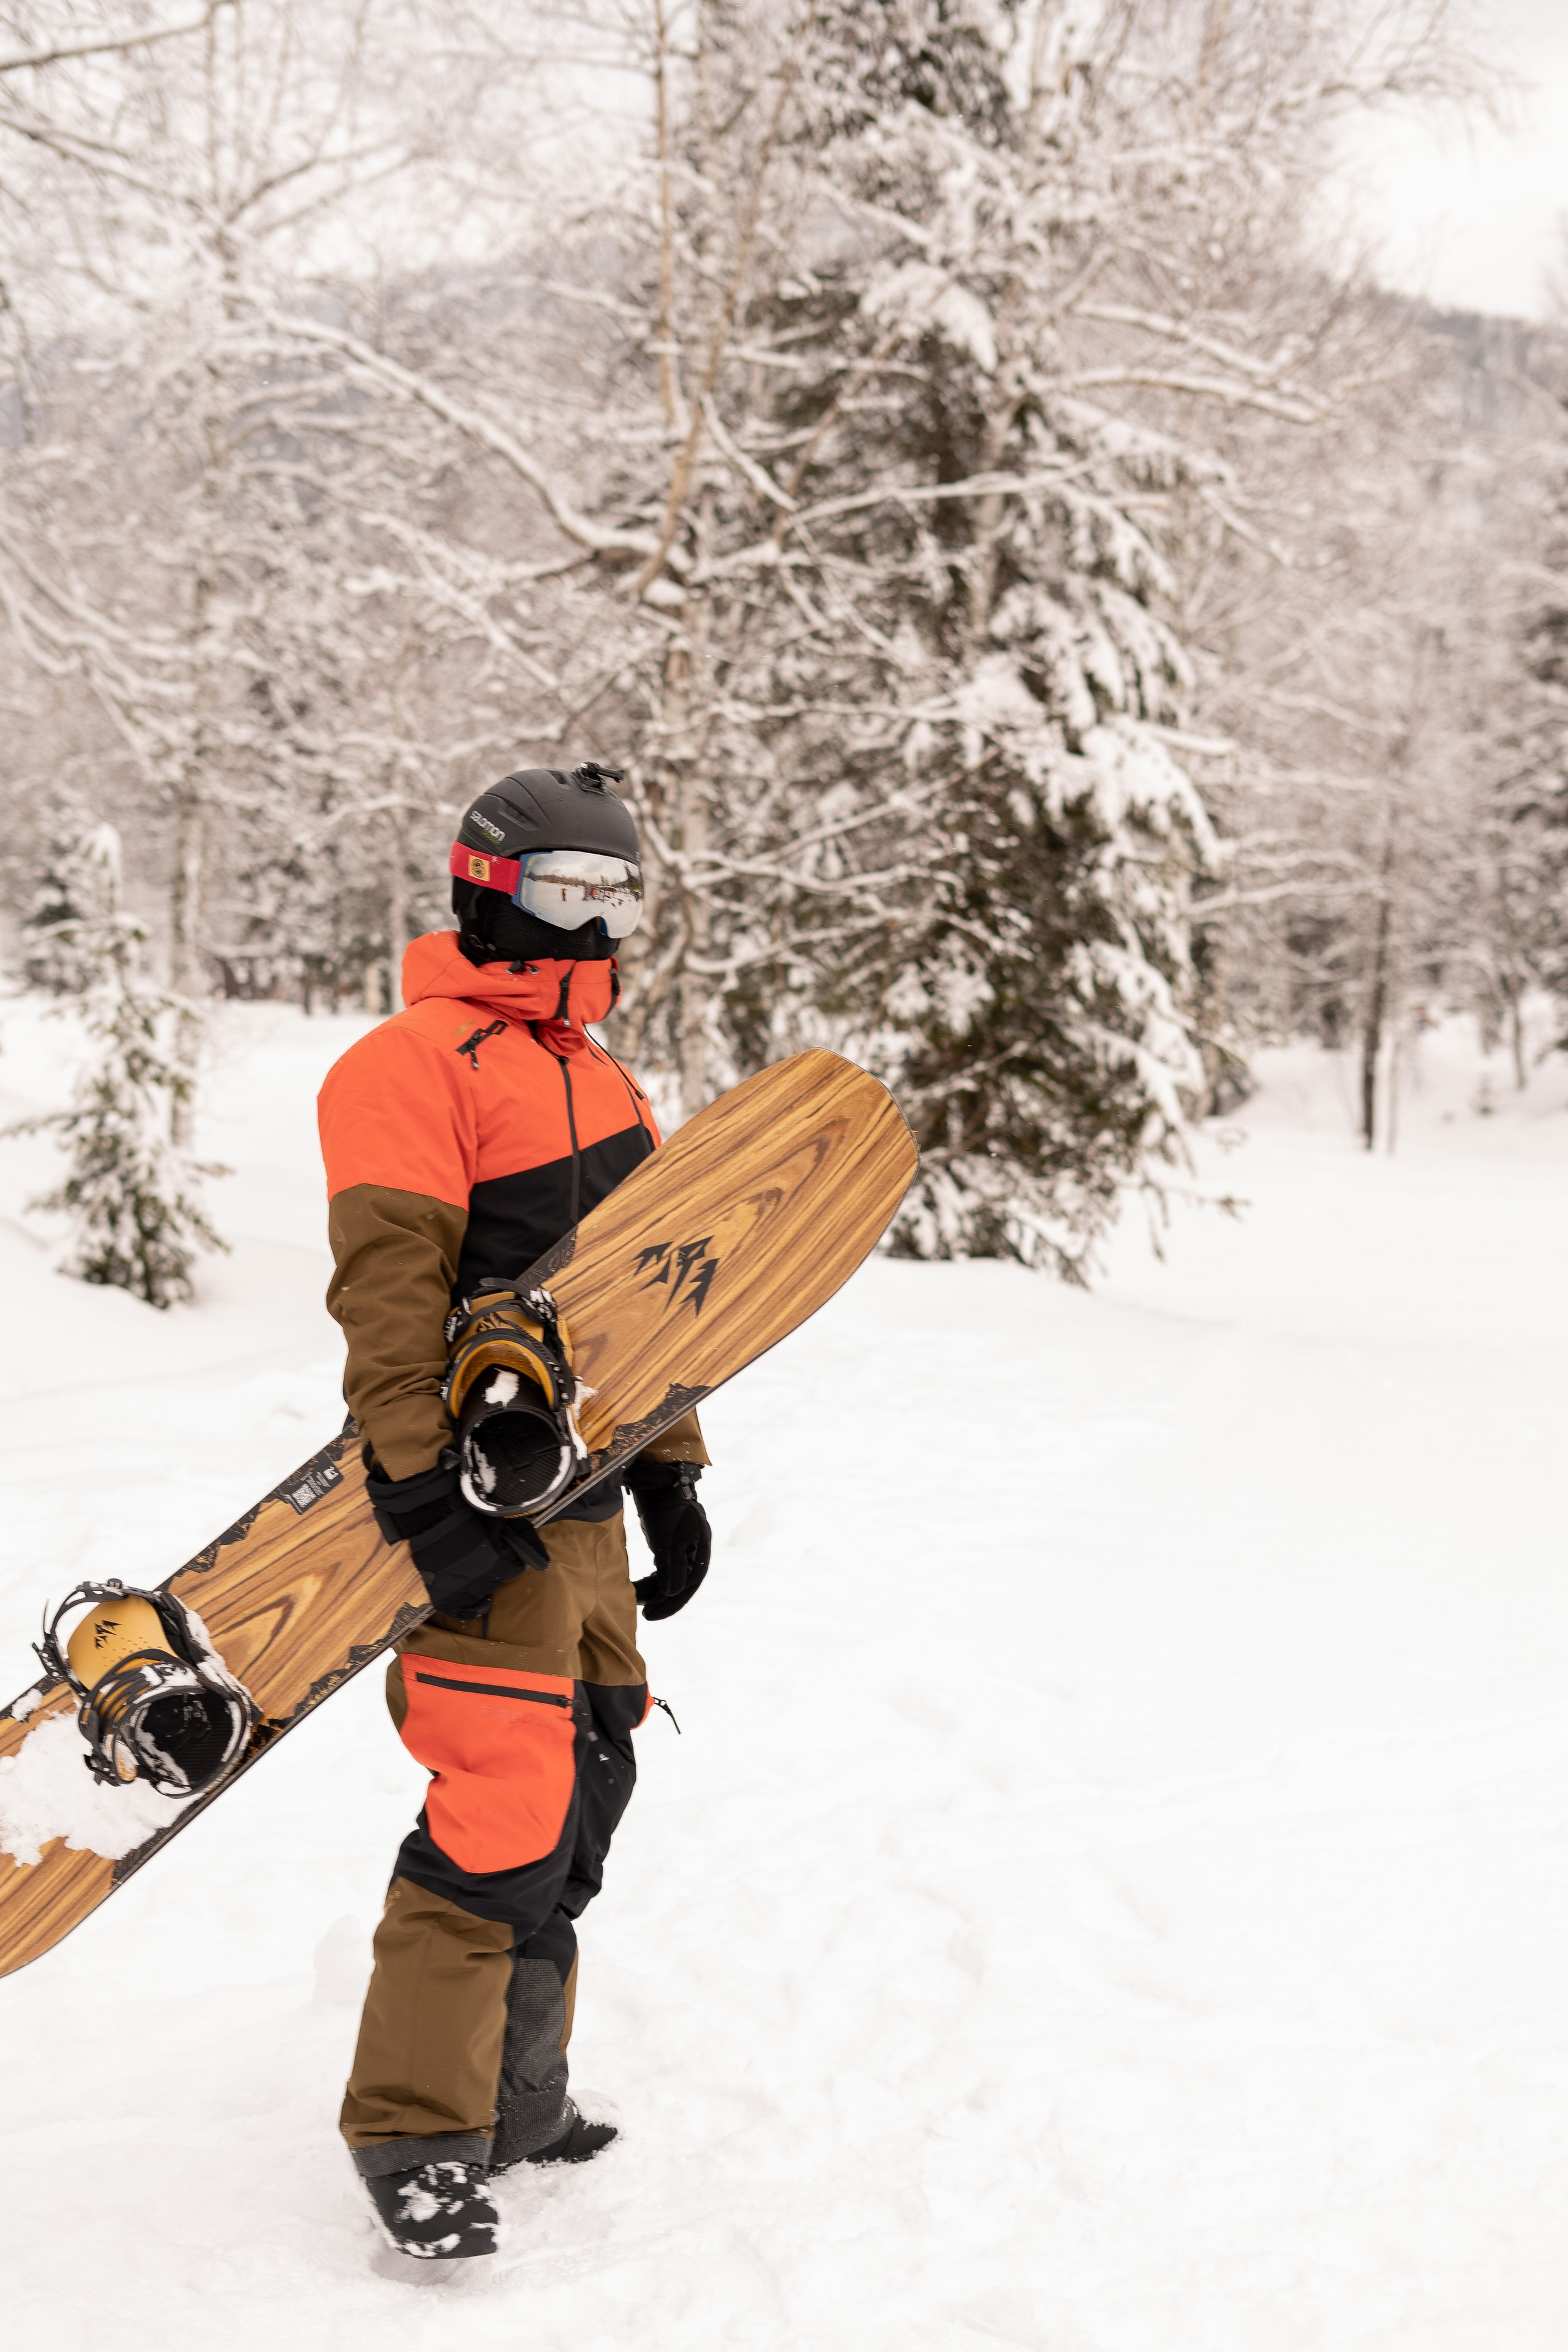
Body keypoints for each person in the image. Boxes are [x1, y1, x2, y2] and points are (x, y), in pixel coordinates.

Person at [316, 764, 712, 2264]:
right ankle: (413, 2133)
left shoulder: (609, 1082)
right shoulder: (409, 1067)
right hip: (479, 1501)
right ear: (489, 888)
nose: (597, 923)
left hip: (595, 1513)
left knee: (587, 1785)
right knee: (495, 1812)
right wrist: (418, 1489)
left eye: (617, 893)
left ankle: (518, 2101)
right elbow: (390, 1296)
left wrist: (675, 1468)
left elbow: (663, 1305)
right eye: (567, 891)